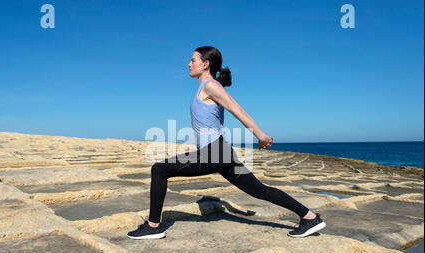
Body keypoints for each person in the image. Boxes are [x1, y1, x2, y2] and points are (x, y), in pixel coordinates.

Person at [127, 46, 326, 240]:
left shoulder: (211, 86)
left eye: (193, 60)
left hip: (215, 152)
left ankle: (153, 226)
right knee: (260, 191)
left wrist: (260, 135)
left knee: (159, 169)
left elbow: (237, 110)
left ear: (205, 64)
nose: (188, 64)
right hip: (220, 153)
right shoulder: (204, 88)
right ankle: (310, 217)